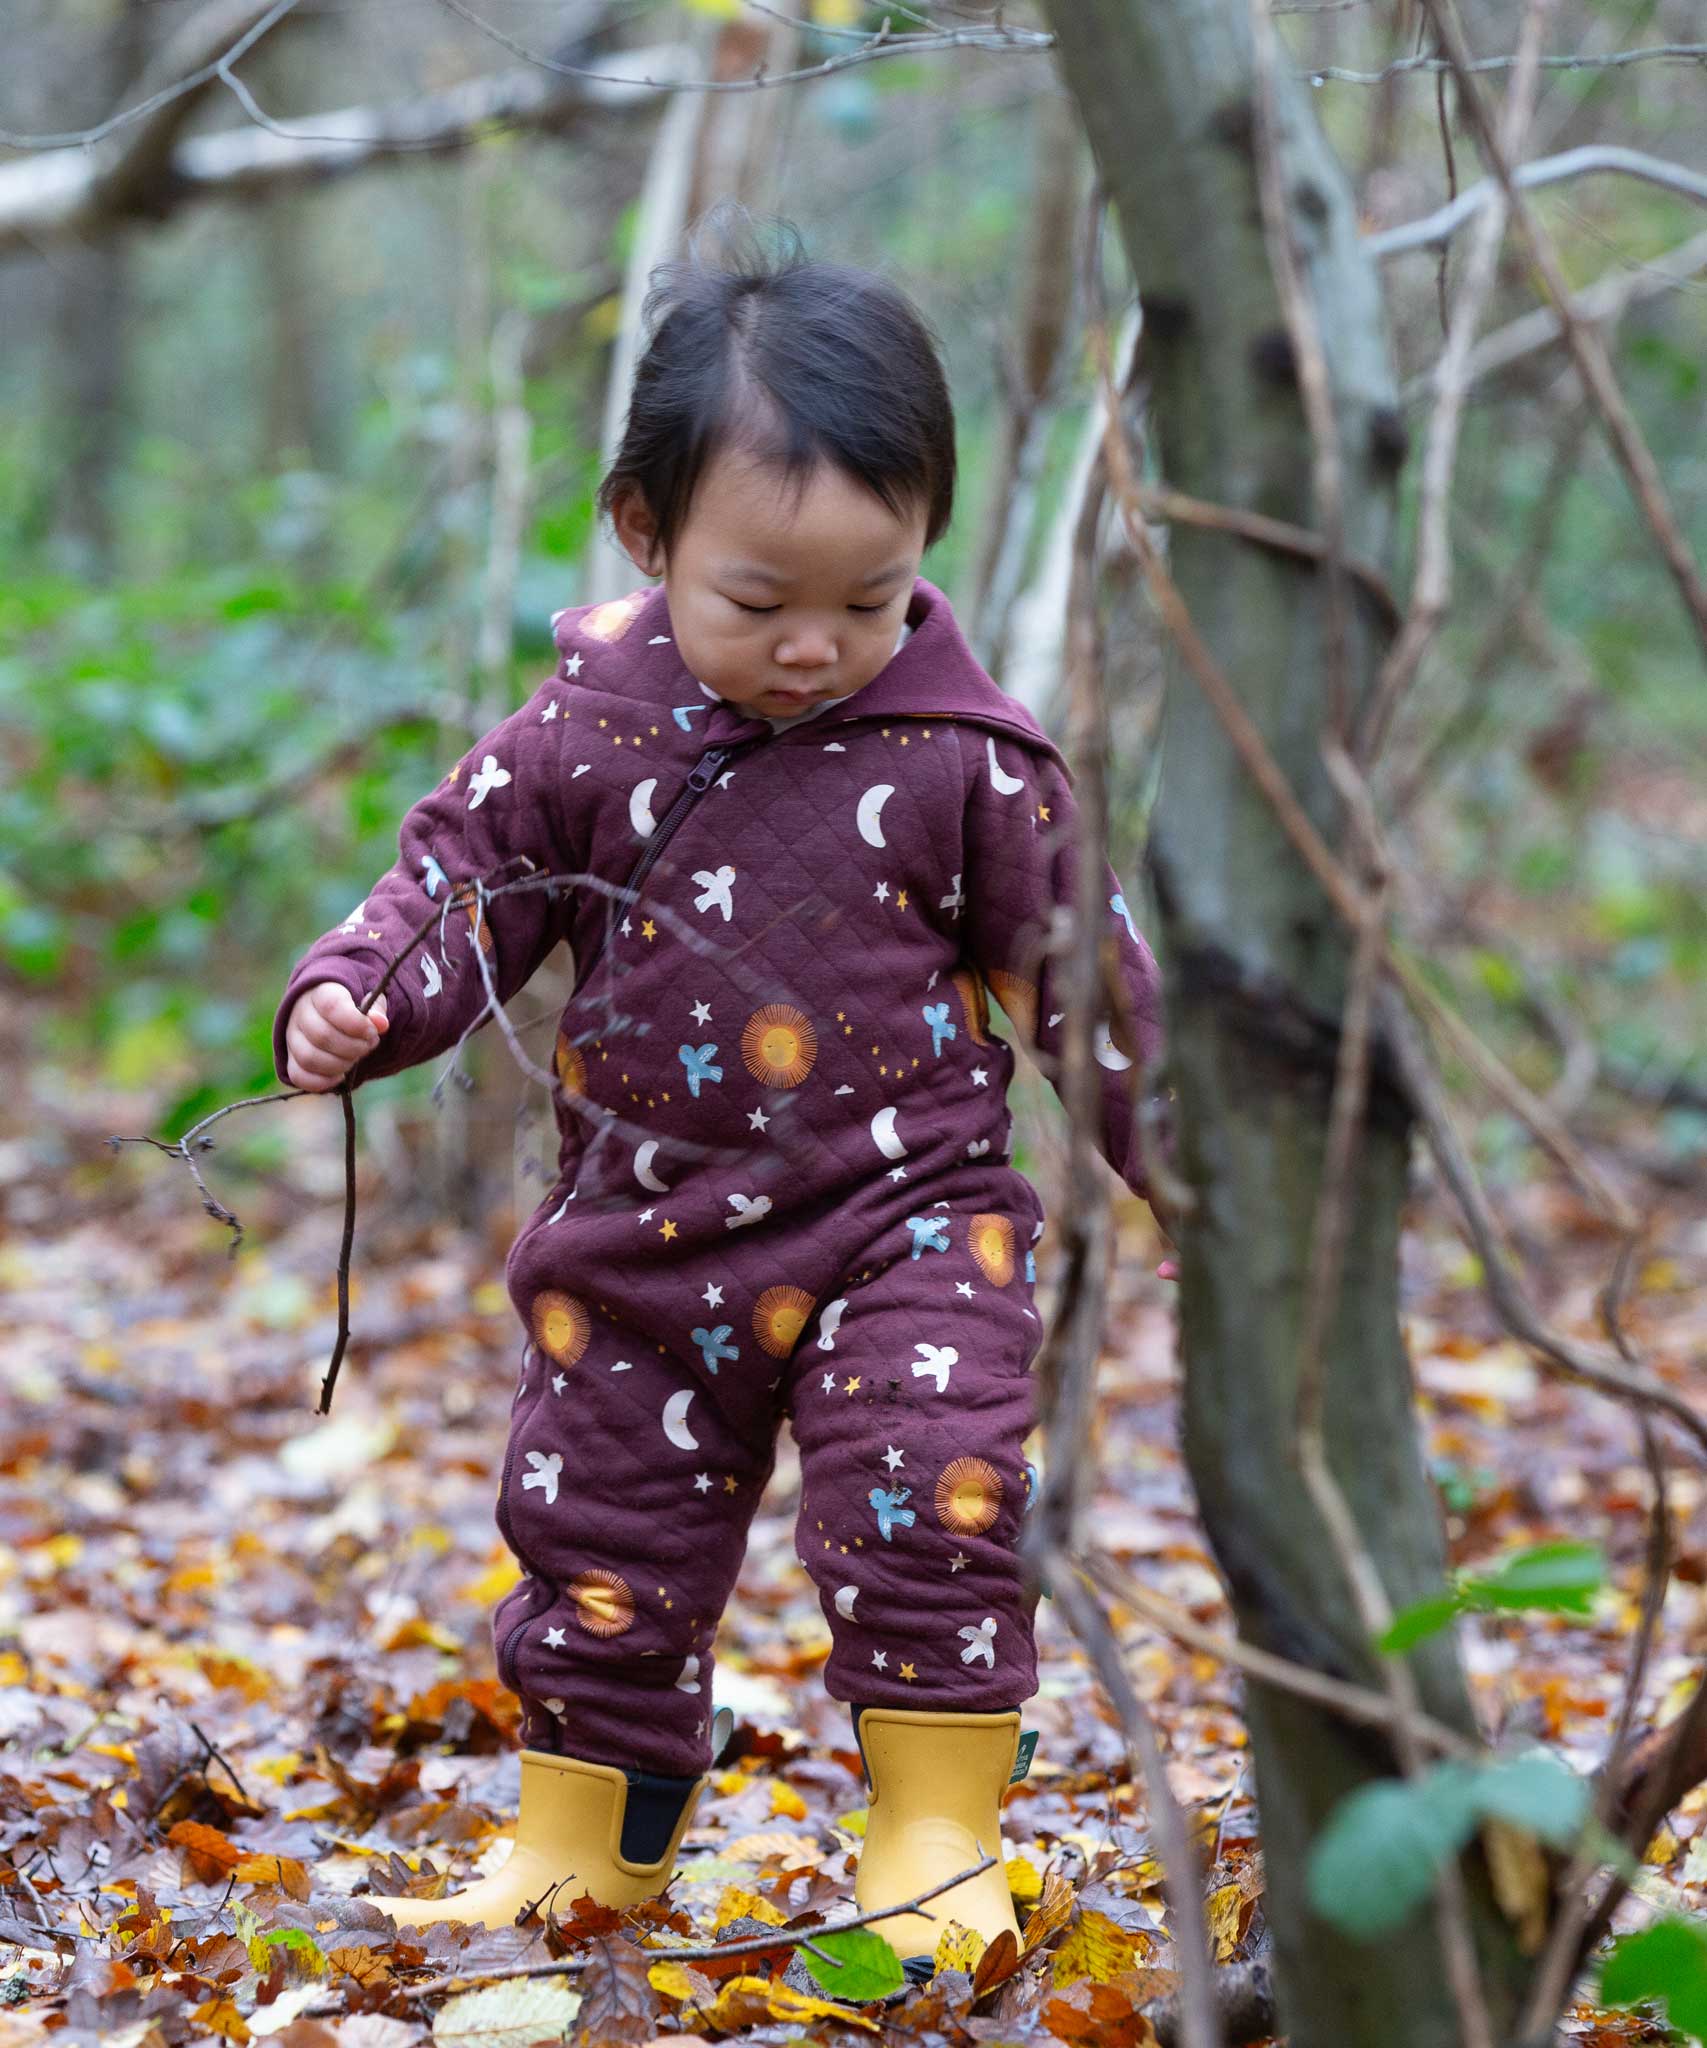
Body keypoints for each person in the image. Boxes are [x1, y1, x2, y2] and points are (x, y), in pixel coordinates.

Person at [274, 206, 1172, 1974]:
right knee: (598, 1529)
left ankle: (933, 1830)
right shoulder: (588, 731)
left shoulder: (968, 759)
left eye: (871, 593)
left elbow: (1092, 981)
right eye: (761, 600)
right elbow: (470, 877)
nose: (818, 645)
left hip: (907, 1220)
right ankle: (582, 1845)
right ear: (647, 532)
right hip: (646, 1231)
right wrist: (362, 998)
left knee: (933, 1493)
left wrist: (1198, 1175)